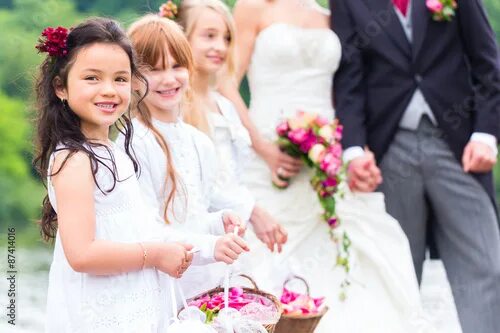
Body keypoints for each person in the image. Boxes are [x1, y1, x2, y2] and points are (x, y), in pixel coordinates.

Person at [217, 0, 438, 332]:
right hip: (268, 153)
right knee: (265, 258)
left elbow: (347, 93)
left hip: (329, 157)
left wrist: (356, 152)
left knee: (361, 250)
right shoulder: (253, 7)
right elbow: (226, 84)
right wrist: (263, 149)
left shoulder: (334, 13)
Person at [331, 0, 500, 331]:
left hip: (458, 145)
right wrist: (353, 150)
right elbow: (348, 77)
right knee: (397, 273)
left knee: (486, 265)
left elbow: (488, 64)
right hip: (388, 149)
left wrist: (486, 135)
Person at [33, 18, 193, 332]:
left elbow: (131, 229)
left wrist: (185, 248)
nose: (109, 90)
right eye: (92, 78)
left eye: (120, 79)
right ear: (61, 87)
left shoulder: (112, 151)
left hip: (131, 305)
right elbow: (81, 254)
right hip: (101, 314)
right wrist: (155, 255)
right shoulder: (74, 157)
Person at [119, 14, 249, 300]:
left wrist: (219, 222)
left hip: (204, 286)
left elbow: (194, 214)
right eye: (153, 69)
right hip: (160, 286)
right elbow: (144, 229)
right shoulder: (133, 142)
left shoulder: (199, 142)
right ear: (132, 78)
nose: (168, 79)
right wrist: (210, 246)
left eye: (176, 66)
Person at [176, 0, 288, 253]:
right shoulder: (180, 106)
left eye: (227, 38)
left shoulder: (225, 106)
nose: (220, 47)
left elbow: (236, 174)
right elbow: (197, 184)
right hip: (203, 237)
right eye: (209, 36)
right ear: (182, 38)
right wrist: (252, 211)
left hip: (236, 226)